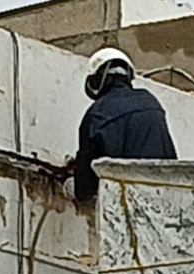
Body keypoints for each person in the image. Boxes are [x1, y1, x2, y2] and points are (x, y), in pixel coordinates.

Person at [66, 47, 177, 202]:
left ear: (96, 80)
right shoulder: (150, 101)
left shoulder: (95, 115)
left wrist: (72, 186)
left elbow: (86, 188)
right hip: (166, 196)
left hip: (128, 203)